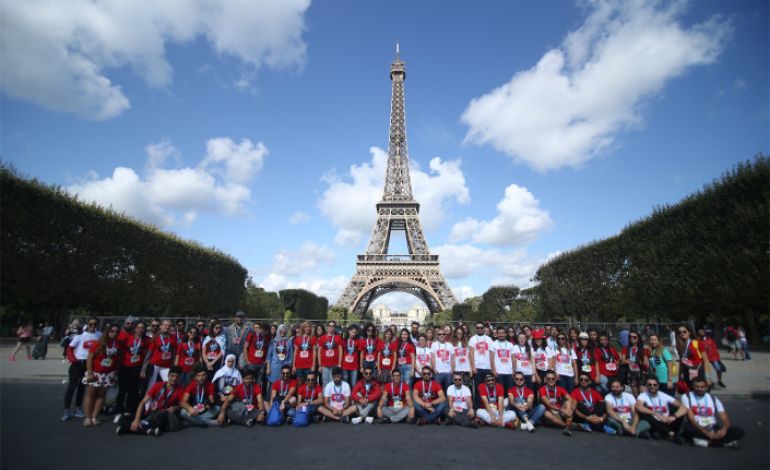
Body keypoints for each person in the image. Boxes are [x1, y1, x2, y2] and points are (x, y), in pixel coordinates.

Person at [116, 365, 184, 436]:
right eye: (172, 376)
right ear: (168, 375)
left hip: (162, 414)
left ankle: (128, 429)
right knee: (121, 419)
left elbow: (182, 404)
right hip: (150, 413)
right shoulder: (157, 385)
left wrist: (175, 407)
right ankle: (148, 431)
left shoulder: (180, 390)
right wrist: (136, 420)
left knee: (162, 417)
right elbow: (142, 402)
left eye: (177, 377)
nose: (174, 379)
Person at [681, 377, 744, 448]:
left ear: (706, 388)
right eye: (696, 386)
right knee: (688, 429)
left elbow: (725, 418)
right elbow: (691, 418)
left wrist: (724, 429)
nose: (699, 389)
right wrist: (706, 432)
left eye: (702, 387)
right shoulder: (687, 397)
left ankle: (708, 443)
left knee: (739, 431)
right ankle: (723, 443)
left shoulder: (713, 399)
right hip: (697, 426)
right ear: (693, 387)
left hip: (712, 427)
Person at [81, 323, 122, 426]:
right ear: (107, 332)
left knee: (101, 396)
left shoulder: (117, 344)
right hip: (96, 373)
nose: (114, 333)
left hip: (109, 374)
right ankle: (87, 418)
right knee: (90, 395)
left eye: (117, 331)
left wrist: (116, 372)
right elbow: (90, 358)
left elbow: (118, 360)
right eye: (112, 331)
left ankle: (94, 417)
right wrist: (90, 372)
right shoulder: (98, 343)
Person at [62, 317, 101, 421]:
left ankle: (78, 408)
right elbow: (69, 349)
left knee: (82, 387)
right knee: (72, 387)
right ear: (87, 325)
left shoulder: (99, 336)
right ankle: (66, 410)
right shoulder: (80, 336)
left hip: (90, 364)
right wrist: (73, 360)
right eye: (91, 324)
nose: (93, 326)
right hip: (78, 363)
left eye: (95, 324)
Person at [635, 376, 687, 444]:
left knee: (679, 411)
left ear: (658, 386)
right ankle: (671, 434)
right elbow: (638, 406)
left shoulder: (663, 395)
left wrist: (673, 417)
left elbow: (683, 407)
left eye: (655, 385)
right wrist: (656, 414)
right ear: (646, 385)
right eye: (649, 384)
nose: (652, 386)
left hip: (667, 420)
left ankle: (663, 434)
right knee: (644, 413)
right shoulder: (643, 395)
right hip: (654, 421)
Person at [114, 320, 149, 419]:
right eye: (138, 327)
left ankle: (128, 410)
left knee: (132, 389)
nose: (140, 330)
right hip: (125, 366)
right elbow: (119, 351)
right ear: (135, 328)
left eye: (142, 328)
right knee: (122, 389)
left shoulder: (145, 340)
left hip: (137, 367)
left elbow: (146, 354)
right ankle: (118, 410)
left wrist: (143, 369)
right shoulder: (127, 337)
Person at [143, 319, 178, 391]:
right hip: (155, 365)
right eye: (165, 325)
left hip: (166, 366)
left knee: (168, 385)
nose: (167, 327)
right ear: (161, 326)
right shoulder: (156, 337)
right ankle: (148, 402)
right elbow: (149, 354)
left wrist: (173, 365)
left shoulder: (174, 338)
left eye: (169, 325)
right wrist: (143, 369)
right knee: (151, 385)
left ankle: (162, 401)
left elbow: (174, 353)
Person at [675, 325, 712, 392]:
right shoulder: (680, 347)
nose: (682, 333)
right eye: (679, 332)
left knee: (701, 394)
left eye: (684, 331)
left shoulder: (697, 343)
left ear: (689, 333)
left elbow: (706, 360)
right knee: (690, 395)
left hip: (699, 372)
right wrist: (679, 377)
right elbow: (682, 362)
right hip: (687, 373)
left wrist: (707, 376)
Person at [539, 370, 575, 436]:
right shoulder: (542, 389)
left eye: (553, 379)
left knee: (568, 402)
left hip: (560, 412)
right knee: (546, 413)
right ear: (545, 380)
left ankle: (568, 423)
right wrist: (562, 410)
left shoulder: (560, 389)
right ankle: (567, 426)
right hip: (550, 413)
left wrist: (570, 410)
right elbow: (548, 404)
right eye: (548, 379)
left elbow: (571, 399)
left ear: (556, 379)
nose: (551, 380)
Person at [469, 322, 494, 407]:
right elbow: (471, 354)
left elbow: (491, 354)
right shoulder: (472, 339)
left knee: (488, 388)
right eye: (478, 328)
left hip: (487, 367)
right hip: (478, 368)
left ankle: (488, 407)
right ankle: (477, 408)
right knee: (478, 389)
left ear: (484, 328)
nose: (479, 329)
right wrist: (473, 367)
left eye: (481, 327)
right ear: (475, 328)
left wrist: (492, 367)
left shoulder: (489, 339)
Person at [244, 323, 270, 394]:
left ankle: (257, 396)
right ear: (260, 329)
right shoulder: (252, 335)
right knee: (250, 380)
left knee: (259, 382)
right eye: (263, 331)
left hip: (261, 363)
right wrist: (247, 360)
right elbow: (245, 347)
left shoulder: (267, 337)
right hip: (251, 362)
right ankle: (248, 395)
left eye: (266, 332)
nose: (264, 333)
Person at [620, 330, 648, 396]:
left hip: (642, 373)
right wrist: (636, 362)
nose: (632, 338)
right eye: (630, 337)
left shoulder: (643, 349)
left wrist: (631, 361)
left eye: (634, 337)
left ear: (638, 338)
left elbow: (645, 362)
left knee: (643, 395)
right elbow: (623, 360)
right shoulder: (626, 348)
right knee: (635, 395)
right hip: (631, 373)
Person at [266, 324, 294, 389]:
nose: (282, 333)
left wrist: (290, 366)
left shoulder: (289, 341)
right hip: (275, 366)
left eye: (284, 332)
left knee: (284, 384)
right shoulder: (273, 341)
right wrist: (268, 367)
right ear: (278, 331)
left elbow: (291, 354)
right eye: (281, 331)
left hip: (285, 366)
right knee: (273, 384)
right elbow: (269, 355)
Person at [318, 321, 343, 387]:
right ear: (327, 327)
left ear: (335, 327)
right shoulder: (322, 338)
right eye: (330, 326)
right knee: (325, 382)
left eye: (333, 326)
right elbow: (319, 352)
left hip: (334, 364)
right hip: (324, 365)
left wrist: (339, 363)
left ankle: (332, 397)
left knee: (333, 382)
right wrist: (320, 365)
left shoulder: (338, 337)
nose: (331, 327)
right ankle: (325, 397)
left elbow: (340, 351)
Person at [292, 321, 317, 386]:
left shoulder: (313, 338)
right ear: (303, 328)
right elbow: (295, 352)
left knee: (309, 384)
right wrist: (294, 365)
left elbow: (314, 352)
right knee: (299, 384)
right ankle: (300, 396)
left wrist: (313, 365)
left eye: (309, 327)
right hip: (299, 365)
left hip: (309, 365)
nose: (307, 328)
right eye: (306, 327)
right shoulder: (298, 338)